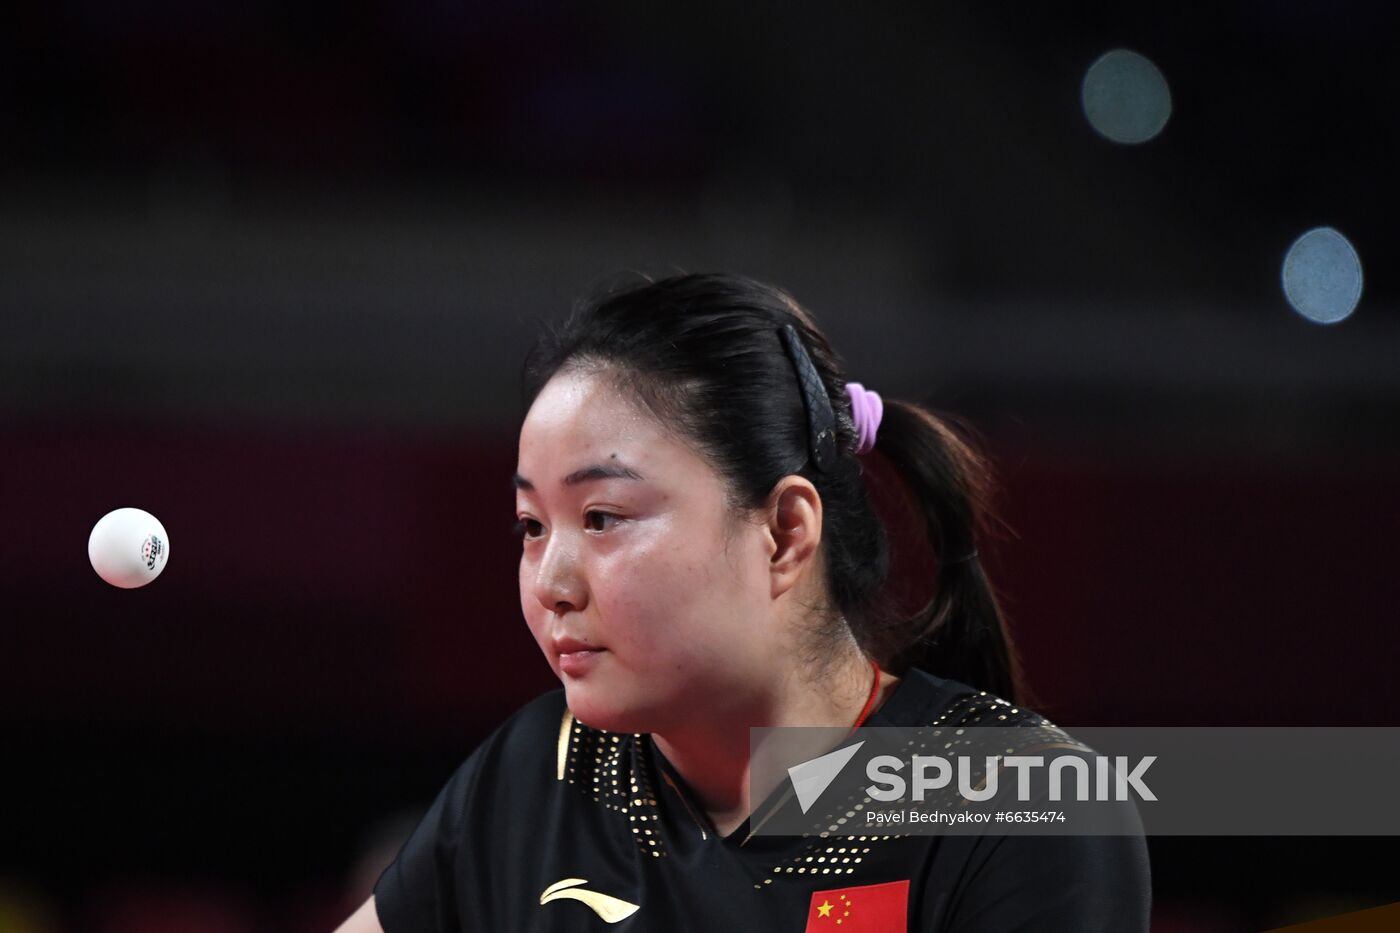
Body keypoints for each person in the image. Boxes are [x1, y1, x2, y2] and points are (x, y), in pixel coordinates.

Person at [335, 273, 1151, 932]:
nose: (551, 581)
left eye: (602, 517)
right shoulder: (533, 775)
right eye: (529, 525)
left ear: (786, 532)